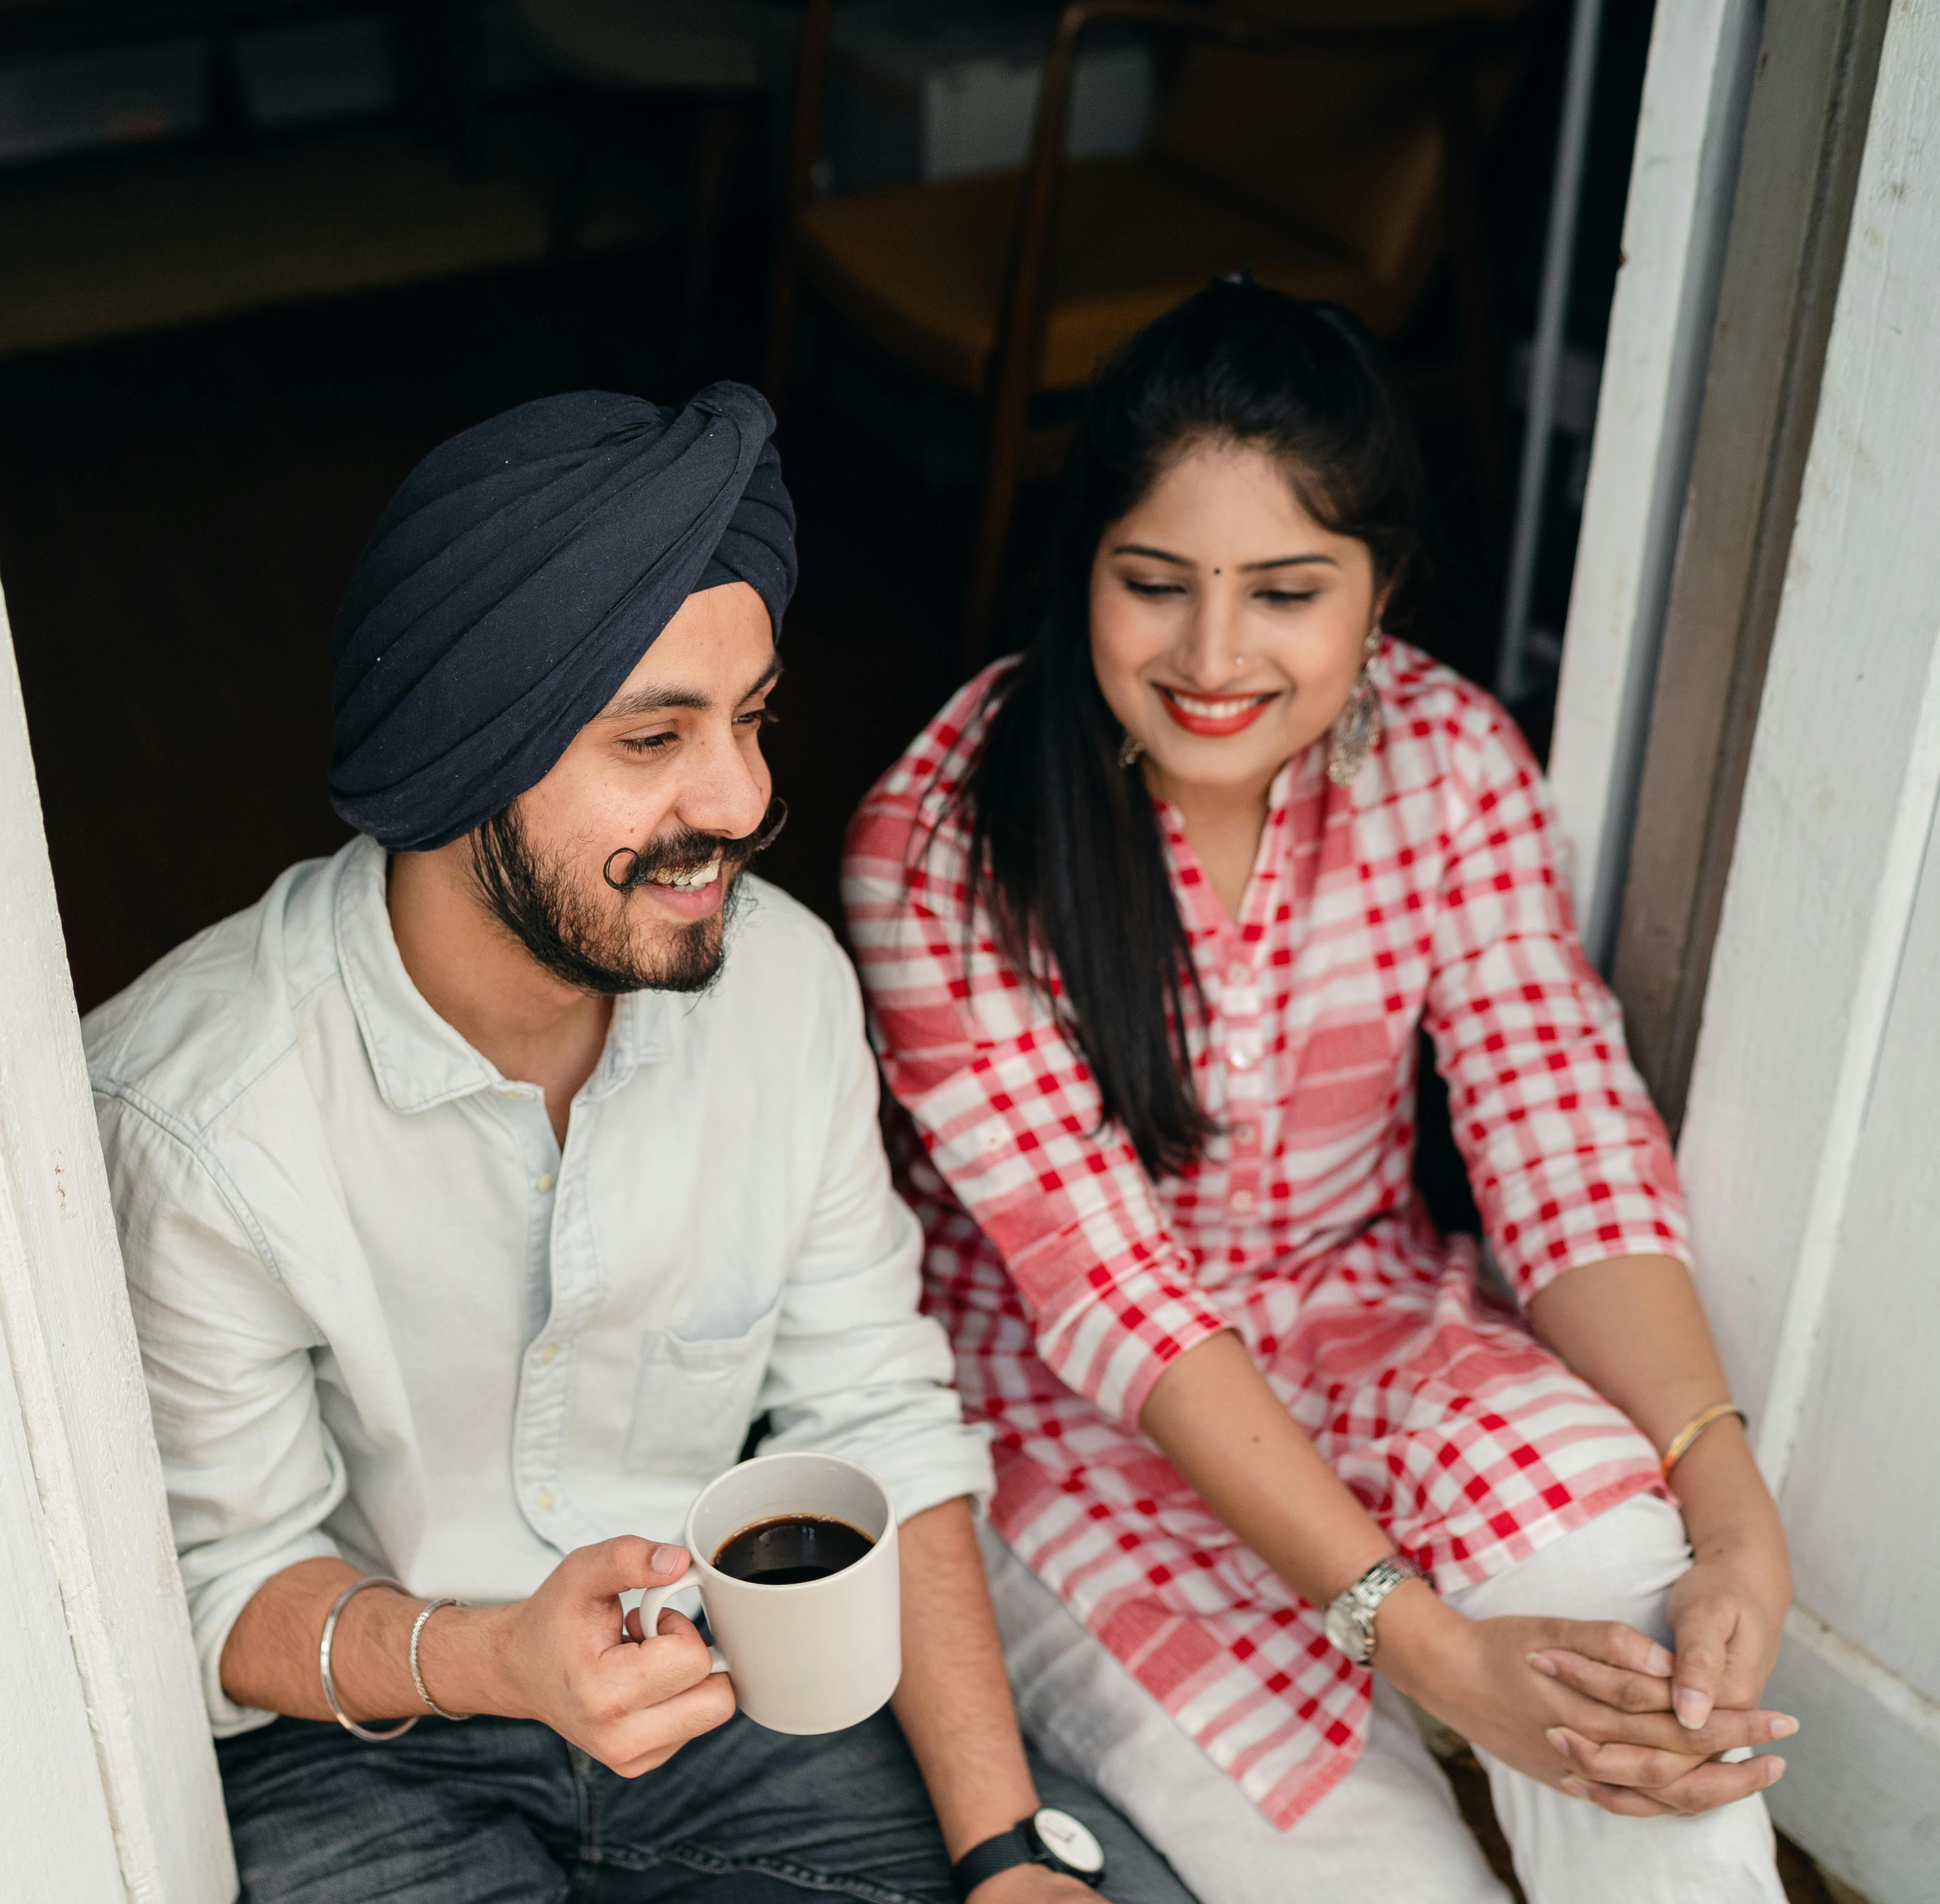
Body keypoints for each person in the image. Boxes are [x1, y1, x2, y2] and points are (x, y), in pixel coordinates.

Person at [86, 384, 1191, 1904]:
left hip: (723, 1693)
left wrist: (1003, 1855)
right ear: (462, 760)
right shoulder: (198, 1115)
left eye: (749, 719)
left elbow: (873, 1409)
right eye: (655, 736)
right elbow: (225, 1588)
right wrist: (503, 1660)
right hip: (369, 1739)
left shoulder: (779, 983)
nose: (742, 800)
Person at [843, 281, 1797, 1904]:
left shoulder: (1452, 757)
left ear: (1384, 592)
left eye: (1286, 592)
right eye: (1155, 584)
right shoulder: (941, 839)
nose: (1213, 658)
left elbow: (1560, 1134)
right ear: (1083, 567)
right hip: (1059, 1425)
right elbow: (1120, 1307)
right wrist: (1432, 1652)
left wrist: (1733, 1518)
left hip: (1368, 1326)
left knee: (1656, 1704)